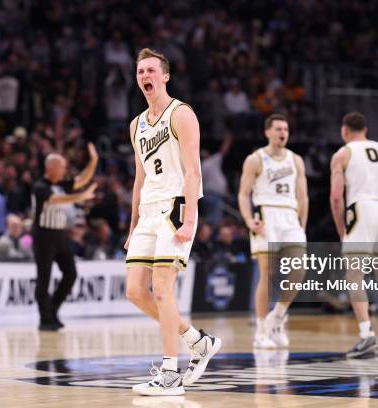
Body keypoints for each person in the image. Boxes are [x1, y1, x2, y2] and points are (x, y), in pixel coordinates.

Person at [125, 48, 221, 397]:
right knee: (135, 292)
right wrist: (132, 223)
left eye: (151, 70)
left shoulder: (181, 114)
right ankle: (198, 341)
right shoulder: (136, 125)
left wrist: (191, 218)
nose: (145, 76)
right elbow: (139, 178)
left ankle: (169, 372)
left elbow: (193, 169)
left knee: (163, 289)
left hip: (175, 207)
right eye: (140, 72)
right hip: (148, 211)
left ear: (165, 76)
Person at [329, 112, 378, 358]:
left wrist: (342, 227)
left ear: (344, 131)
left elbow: (335, 196)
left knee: (355, 273)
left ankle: (366, 335)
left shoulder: (343, 153)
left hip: (362, 209)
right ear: (366, 129)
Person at [238, 113, 309, 349]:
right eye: (278, 129)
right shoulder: (255, 159)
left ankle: (277, 317)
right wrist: (249, 220)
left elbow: (303, 195)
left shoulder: (295, 160)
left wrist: (302, 224)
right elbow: (243, 194)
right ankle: (260, 331)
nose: (282, 133)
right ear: (267, 132)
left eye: (286, 129)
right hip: (266, 214)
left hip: (290, 216)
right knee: (267, 274)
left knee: (299, 269)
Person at [32, 145, 98, 331]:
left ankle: (52, 310)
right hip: (43, 236)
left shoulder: (61, 185)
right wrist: (80, 197)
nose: (64, 170)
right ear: (51, 168)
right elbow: (55, 200)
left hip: (60, 234)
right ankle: (45, 320)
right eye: (61, 167)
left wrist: (93, 161)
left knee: (71, 273)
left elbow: (82, 179)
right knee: (43, 278)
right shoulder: (40, 187)